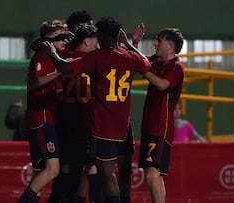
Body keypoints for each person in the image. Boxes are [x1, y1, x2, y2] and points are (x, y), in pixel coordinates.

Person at [43, 16, 162, 203]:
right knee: (118, 173)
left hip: (102, 127)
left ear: (101, 37)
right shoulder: (131, 58)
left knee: (106, 175)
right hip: (123, 127)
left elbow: (65, 68)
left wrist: (52, 53)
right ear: (118, 37)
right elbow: (146, 63)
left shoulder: (97, 57)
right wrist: (129, 44)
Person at [17, 19, 71, 203]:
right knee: (53, 168)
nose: (65, 40)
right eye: (60, 36)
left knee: (40, 171)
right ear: (48, 39)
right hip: (42, 118)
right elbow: (33, 82)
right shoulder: (43, 56)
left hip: (50, 118)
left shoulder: (55, 57)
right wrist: (59, 72)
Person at [47, 22, 99, 203]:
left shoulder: (62, 58)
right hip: (86, 126)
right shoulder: (92, 62)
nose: (97, 46)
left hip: (64, 125)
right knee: (92, 168)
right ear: (86, 42)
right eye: (95, 42)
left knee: (64, 172)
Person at [138, 27, 185, 203]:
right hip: (150, 126)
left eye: (159, 40)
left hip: (160, 127)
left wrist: (143, 70)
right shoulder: (157, 62)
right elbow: (140, 61)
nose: (155, 43)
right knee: (155, 174)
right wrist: (134, 43)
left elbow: (162, 84)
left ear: (170, 45)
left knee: (151, 173)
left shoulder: (177, 67)